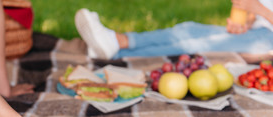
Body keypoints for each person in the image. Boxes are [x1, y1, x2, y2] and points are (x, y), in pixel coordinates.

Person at [75, 0, 273, 60]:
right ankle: (117, 49)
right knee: (191, 31)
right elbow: (249, 8)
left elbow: (260, 8)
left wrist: (258, 9)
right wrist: (245, 20)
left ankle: (118, 42)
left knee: (194, 41)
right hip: (258, 32)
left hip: (268, 41)